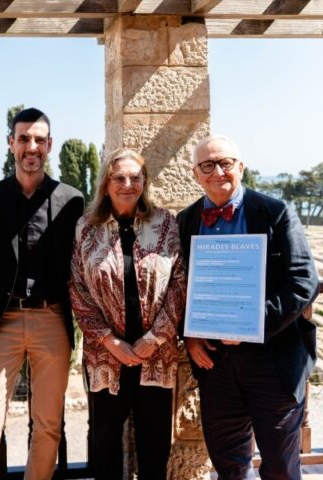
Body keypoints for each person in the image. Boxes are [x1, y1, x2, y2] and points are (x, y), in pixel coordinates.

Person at [177, 135, 319, 479]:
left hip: (273, 360)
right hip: (216, 364)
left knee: (281, 467)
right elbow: (176, 288)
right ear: (195, 174)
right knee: (227, 466)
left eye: (225, 163)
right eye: (207, 165)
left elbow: (304, 281)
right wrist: (190, 336)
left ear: (240, 167)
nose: (217, 172)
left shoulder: (275, 212)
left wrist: (251, 324)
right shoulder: (186, 220)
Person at [0, 107, 84, 479]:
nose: (31, 147)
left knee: (48, 426)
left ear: (49, 145)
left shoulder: (72, 200)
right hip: (2, 320)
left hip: (52, 319)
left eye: (38, 140)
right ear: (11, 144)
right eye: (23, 139)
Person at [69, 148, 186, 480]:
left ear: (144, 182)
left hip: (156, 355)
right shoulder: (86, 228)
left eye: (135, 177)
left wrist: (155, 338)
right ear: (106, 184)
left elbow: (179, 283)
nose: (127, 184)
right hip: (106, 356)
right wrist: (110, 341)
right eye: (119, 177)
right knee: (105, 442)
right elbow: (77, 288)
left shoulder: (164, 223)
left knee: (155, 443)